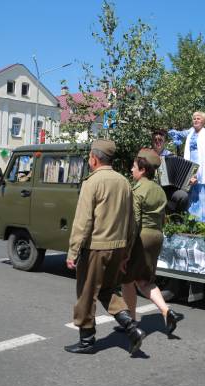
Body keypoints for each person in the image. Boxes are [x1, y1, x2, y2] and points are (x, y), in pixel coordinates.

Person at [64, 139, 145, 355]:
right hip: (118, 247)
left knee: (86, 293)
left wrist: (73, 251)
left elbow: (83, 222)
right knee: (108, 290)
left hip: (96, 248)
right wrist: (126, 251)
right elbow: (132, 221)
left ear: (94, 158)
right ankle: (131, 327)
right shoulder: (124, 182)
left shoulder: (92, 182)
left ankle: (87, 342)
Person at [118, 148, 184, 338]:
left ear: (143, 169)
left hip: (141, 237)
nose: (131, 170)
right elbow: (163, 218)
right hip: (157, 236)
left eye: (133, 166)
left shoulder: (137, 190)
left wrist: (126, 251)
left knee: (127, 279)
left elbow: (134, 223)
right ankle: (166, 311)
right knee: (145, 280)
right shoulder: (159, 190)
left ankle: (130, 321)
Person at [168, 112, 205, 222]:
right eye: (194, 118)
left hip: (203, 166)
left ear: (203, 121)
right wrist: (174, 135)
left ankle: (203, 222)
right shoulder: (189, 132)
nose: (195, 120)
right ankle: (189, 221)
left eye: (198, 118)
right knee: (189, 190)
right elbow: (177, 134)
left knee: (201, 192)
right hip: (189, 164)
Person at [152, 129, 189, 214]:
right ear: (152, 141)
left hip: (169, 189)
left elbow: (181, 174)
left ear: (164, 142)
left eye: (160, 140)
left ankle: (176, 217)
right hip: (153, 186)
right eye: (155, 140)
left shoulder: (170, 155)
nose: (158, 142)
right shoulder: (148, 155)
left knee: (183, 196)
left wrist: (188, 180)